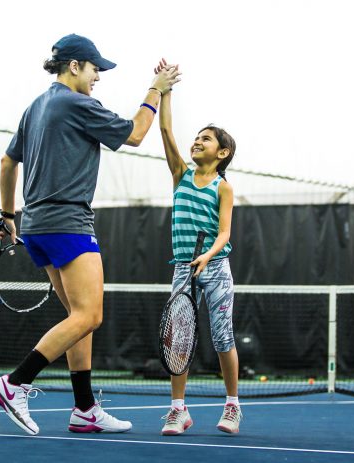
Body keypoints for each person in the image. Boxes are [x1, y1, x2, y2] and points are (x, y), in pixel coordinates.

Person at [0, 34, 180, 436]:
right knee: (91, 315)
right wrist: (155, 90)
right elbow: (136, 133)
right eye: (95, 69)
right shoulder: (75, 103)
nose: (97, 78)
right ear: (74, 66)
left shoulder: (35, 107)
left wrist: (7, 216)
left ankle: (85, 409)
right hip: (67, 224)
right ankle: (15, 383)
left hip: (38, 226)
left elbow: (7, 162)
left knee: (79, 319)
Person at [153, 59, 242, 435]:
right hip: (183, 269)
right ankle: (178, 410)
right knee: (179, 339)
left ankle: (233, 406)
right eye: (197, 137)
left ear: (221, 153)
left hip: (216, 268)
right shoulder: (180, 174)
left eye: (206, 138)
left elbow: (224, 233)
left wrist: (208, 256)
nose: (197, 141)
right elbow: (166, 128)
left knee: (223, 336)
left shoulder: (224, 187)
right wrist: (165, 90)